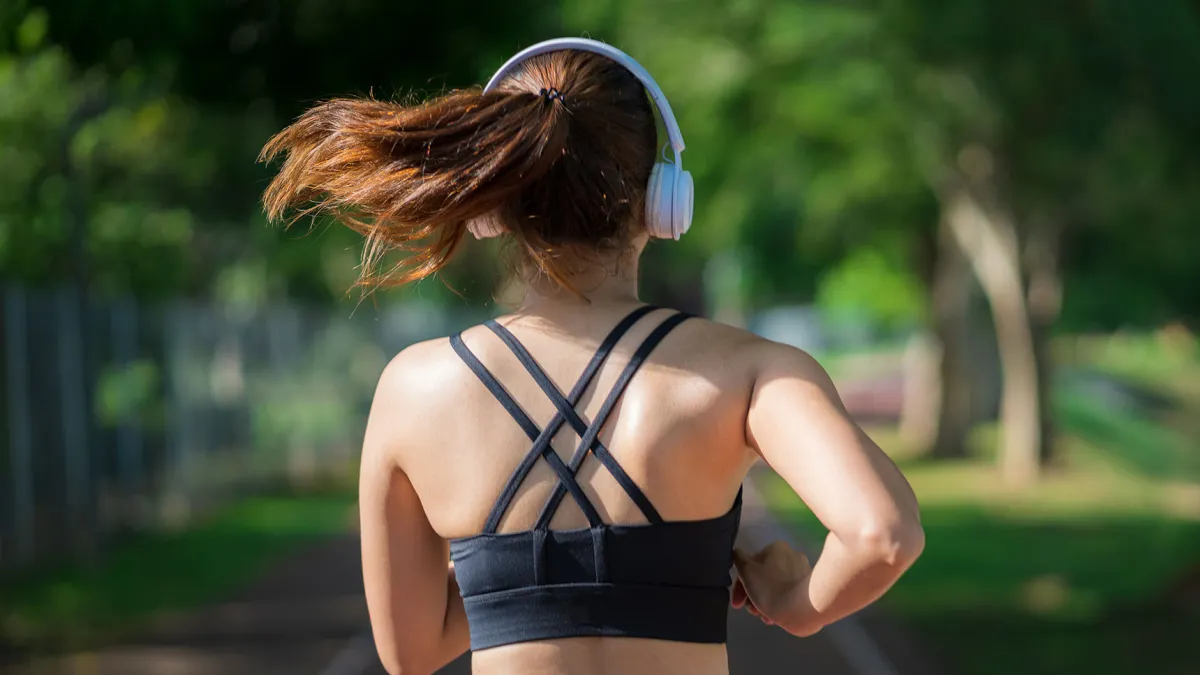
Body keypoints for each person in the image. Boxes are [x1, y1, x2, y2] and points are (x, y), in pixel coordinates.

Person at [260, 38, 924, 675]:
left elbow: (410, 651)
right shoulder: (750, 372)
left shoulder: (412, 388)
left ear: (494, 205)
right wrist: (797, 603)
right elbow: (881, 534)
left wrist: (509, 574)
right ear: (663, 200)